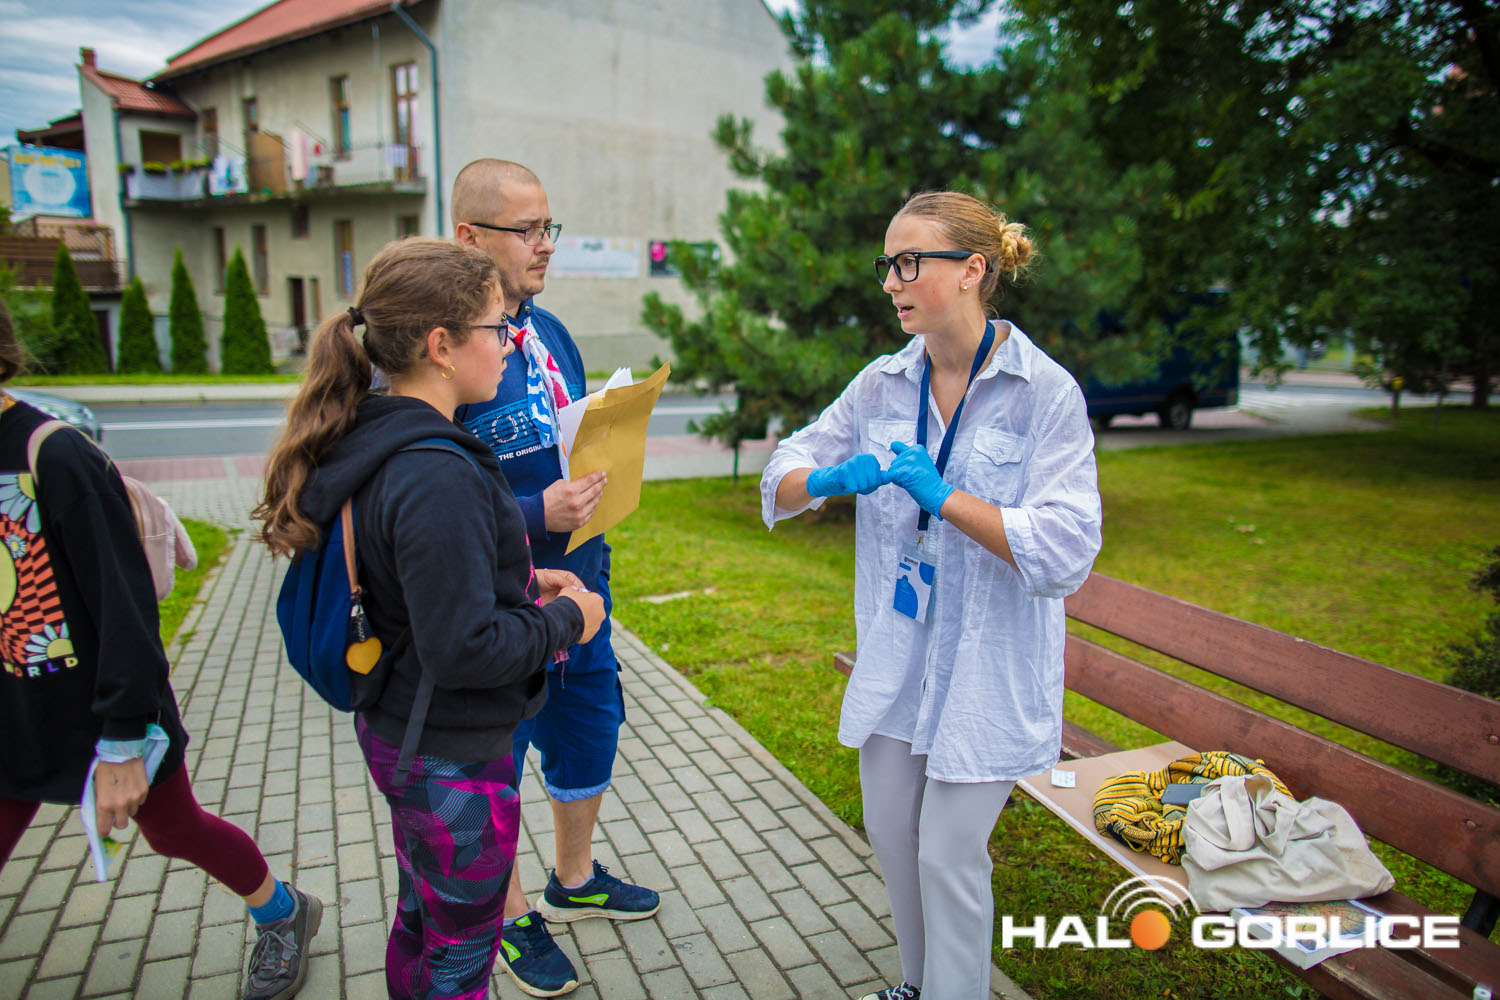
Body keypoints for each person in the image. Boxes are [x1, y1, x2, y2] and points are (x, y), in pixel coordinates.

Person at [759, 192, 1103, 999]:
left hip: (987, 667)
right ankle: (918, 985)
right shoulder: (882, 385)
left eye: (910, 262)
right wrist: (827, 479)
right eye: (888, 264)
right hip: (898, 656)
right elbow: (782, 472)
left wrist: (946, 499)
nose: (891, 281)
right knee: (890, 832)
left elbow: (1066, 547)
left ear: (973, 269)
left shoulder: (1043, 392)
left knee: (948, 853)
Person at [253, 238, 605, 1000]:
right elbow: (463, 649)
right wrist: (567, 620)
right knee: (458, 959)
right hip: (450, 754)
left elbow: (417, 585)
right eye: (496, 327)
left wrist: (520, 580)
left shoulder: (378, 432)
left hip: (403, 731)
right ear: (441, 347)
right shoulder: (434, 469)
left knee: (421, 923)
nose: (510, 343)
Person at [0, 300, 321, 1000]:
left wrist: (121, 740)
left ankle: (283, 911)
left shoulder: (54, 455)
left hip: (102, 710)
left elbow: (126, 611)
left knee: (174, 830)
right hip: (12, 709)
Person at [451, 158, 660, 998]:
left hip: (582, 594)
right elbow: (433, 498)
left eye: (549, 228)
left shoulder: (552, 333)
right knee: (493, 770)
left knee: (588, 733)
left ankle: (573, 880)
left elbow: (562, 442)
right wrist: (538, 512)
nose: (545, 245)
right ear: (470, 238)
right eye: (527, 230)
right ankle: (507, 917)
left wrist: (607, 474)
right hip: (500, 609)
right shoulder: (451, 347)